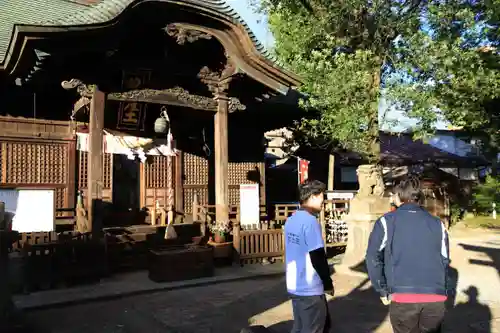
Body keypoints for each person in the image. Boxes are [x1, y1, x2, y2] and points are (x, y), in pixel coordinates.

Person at [366, 175, 450, 333]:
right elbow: (444, 260)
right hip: (435, 297)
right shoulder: (438, 224)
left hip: (402, 297)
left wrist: (382, 289)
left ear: (399, 196)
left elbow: (373, 258)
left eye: (393, 194)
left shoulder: (386, 222)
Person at [285, 179, 333, 333]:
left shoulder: (291, 220)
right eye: (321, 197)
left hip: (294, 284)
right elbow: (317, 255)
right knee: (312, 328)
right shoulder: (310, 222)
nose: (323, 201)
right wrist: (327, 282)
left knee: (299, 327)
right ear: (312, 197)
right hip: (309, 288)